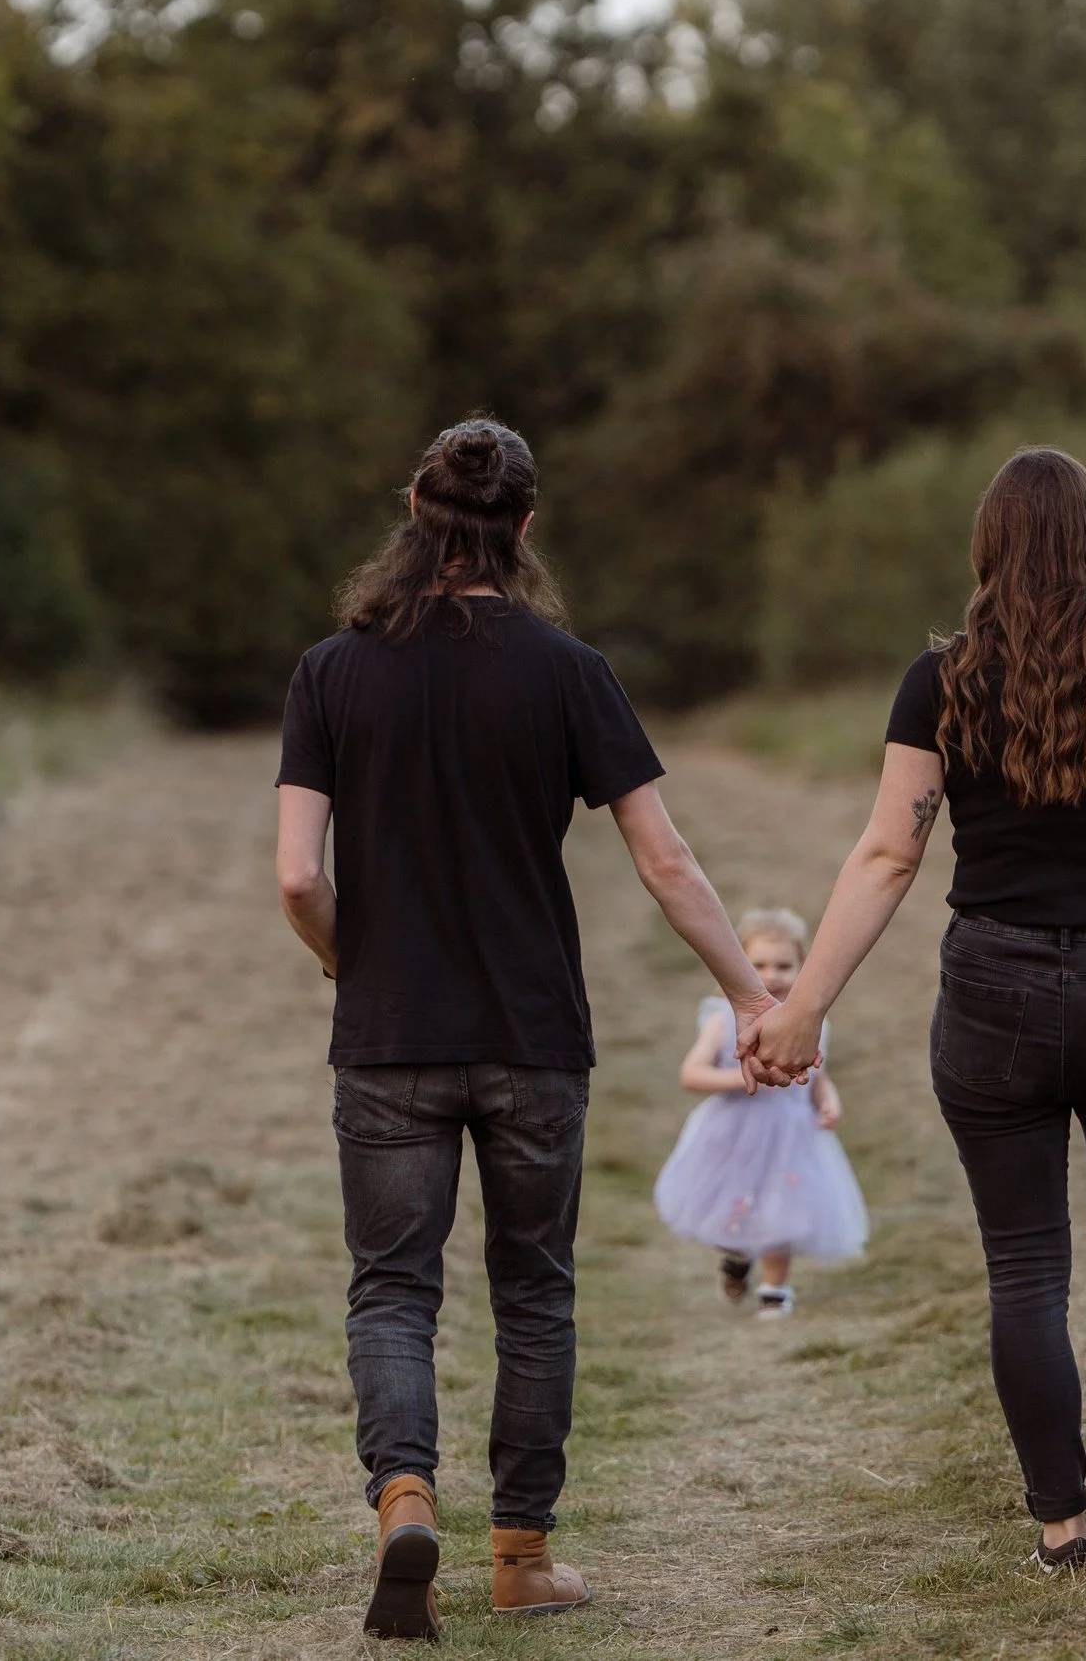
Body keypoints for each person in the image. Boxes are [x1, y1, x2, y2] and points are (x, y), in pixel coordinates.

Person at [274, 419, 777, 1642]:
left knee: (393, 1288)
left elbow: (296, 875)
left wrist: (358, 964)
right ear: (526, 526)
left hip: (389, 1032)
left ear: (414, 507)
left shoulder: (331, 671)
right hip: (532, 1036)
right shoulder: (567, 670)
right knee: (533, 1293)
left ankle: (404, 1496)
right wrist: (760, 1000)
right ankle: (519, 1553)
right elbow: (663, 860)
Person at [742, 446, 1086, 1571]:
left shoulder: (938, 682)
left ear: (987, 549)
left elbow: (889, 851)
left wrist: (802, 1013)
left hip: (991, 989)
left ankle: (1061, 1522)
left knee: (1024, 1264)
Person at [655, 908, 868, 1318]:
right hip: (734, 1131)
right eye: (759, 965)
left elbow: (818, 1076)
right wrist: (743, 1078)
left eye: (784, 965)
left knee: (783, 1205)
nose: (771, 975)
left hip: (791, 1133)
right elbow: (691, 1073)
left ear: (803, 967)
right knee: (735, 1207)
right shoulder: (722, 1018)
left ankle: (775, 1290)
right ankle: (736, 1255)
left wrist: (828, 1100)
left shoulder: (813, 1023)